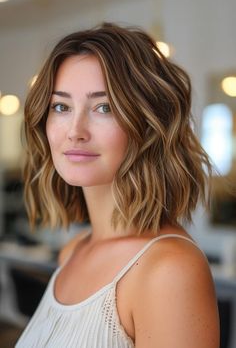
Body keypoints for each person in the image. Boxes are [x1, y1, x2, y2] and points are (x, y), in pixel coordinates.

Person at [16, 22, 220, 347]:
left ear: (148, 124)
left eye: (104, 107)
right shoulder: (73, 253)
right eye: (61, 106)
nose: (75, 130)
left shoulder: (169, 270)